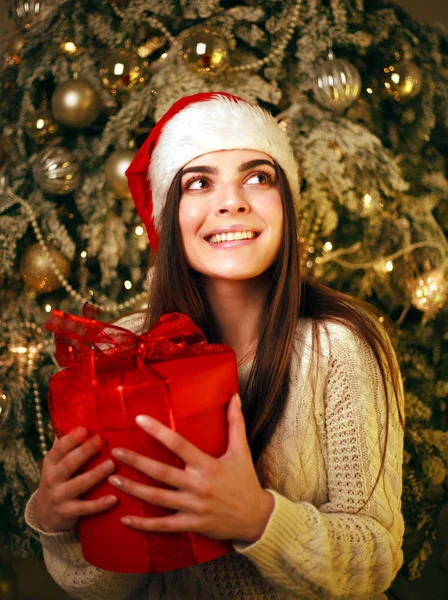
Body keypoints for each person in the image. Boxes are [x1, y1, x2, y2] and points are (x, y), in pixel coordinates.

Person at [25, 92, 405, 600]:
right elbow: (102, 588)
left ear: (286, 207)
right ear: (170, 215)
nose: (232, 201)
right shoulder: (127, 346)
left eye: (258, 177)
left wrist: (257, 519)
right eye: (199, 183)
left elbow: (376, 562)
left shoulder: (342, 346)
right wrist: (59, 523)